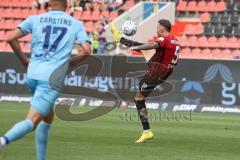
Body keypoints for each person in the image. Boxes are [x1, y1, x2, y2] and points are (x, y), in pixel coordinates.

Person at [0, 1, 91, 160]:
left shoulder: (34, 19)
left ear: (49, 4)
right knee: (32, 121)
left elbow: (10, 37)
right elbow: (87, 50)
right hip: (52, 78)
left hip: (33, 74)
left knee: (48, 116)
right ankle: (3, 140)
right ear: (67, 4)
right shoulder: (75, 24)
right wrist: (70, 63)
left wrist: (23, 60)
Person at [112, 19, 180, 143]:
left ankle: (147, 131)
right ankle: (120, 39)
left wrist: (136, 47)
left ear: (162, 29)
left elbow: (152, 45)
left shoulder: (164, 39)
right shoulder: (174, 40)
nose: (156, 30)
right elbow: (151, 48)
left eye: (157, 27)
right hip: (163, 70)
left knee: (138, 99)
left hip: (156, 72)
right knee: (145, 49)